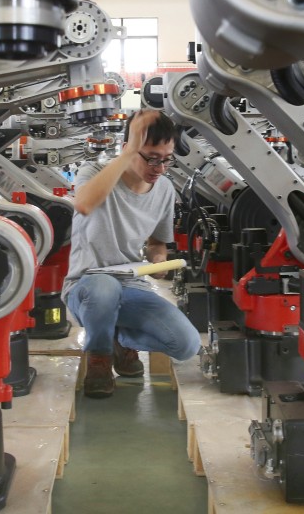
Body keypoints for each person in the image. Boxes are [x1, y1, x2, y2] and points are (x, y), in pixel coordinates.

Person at [64, 109, 202, 398]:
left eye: (166, 159)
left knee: (186, 343)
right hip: (86, 286)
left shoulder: (164, 189)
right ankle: (99, 359)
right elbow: (85, 204)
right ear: (128, 148)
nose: (160, 167)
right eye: (151, 157)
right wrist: (126, 155)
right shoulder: (94, 173)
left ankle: (117, 338)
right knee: (104, 288)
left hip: (131, 285)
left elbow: (156, 244)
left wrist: (159, 260)